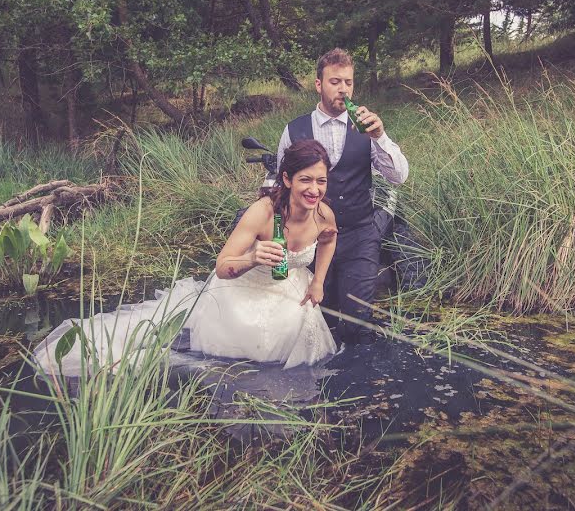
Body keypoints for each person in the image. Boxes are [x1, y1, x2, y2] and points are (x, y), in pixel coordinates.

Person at [33, 140, 339, 375]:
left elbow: (328, 239)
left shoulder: (323, 213)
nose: (314, 190)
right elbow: (222, 266)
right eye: (306, 180)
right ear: (287, 180)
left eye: (321, 181)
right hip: (243, 295)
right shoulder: (263, 213)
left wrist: (319, 282)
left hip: (291, 292)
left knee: (299, 342)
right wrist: (252, 258)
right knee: (244, 366)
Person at [277, 48, 409, 345]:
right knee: (318, 321)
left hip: (360, 234)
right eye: (335, 82)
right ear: (318, 84)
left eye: (348, 82)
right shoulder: (294, 130)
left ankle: (359, 383)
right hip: (312, 240)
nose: (343, 89)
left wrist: (380, 137)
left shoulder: (367, 127)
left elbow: (398, 177)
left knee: (357, 322)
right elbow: (279, 187)